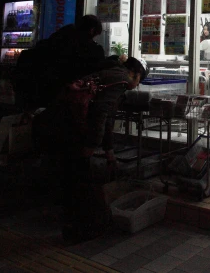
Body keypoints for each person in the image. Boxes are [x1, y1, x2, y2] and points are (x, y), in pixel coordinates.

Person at [60, 56, 148, 243]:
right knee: (82, 183)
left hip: (68, 125)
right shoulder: (121, 80)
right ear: (136, 74)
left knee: (77, 180)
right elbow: (101, 114)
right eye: (140, 80)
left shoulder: (111, 73)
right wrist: (91, 147)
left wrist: (109, 152)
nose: (138, 84)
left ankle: (77, 225)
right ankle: (81, 229)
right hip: (74, 131)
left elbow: (107, 119)